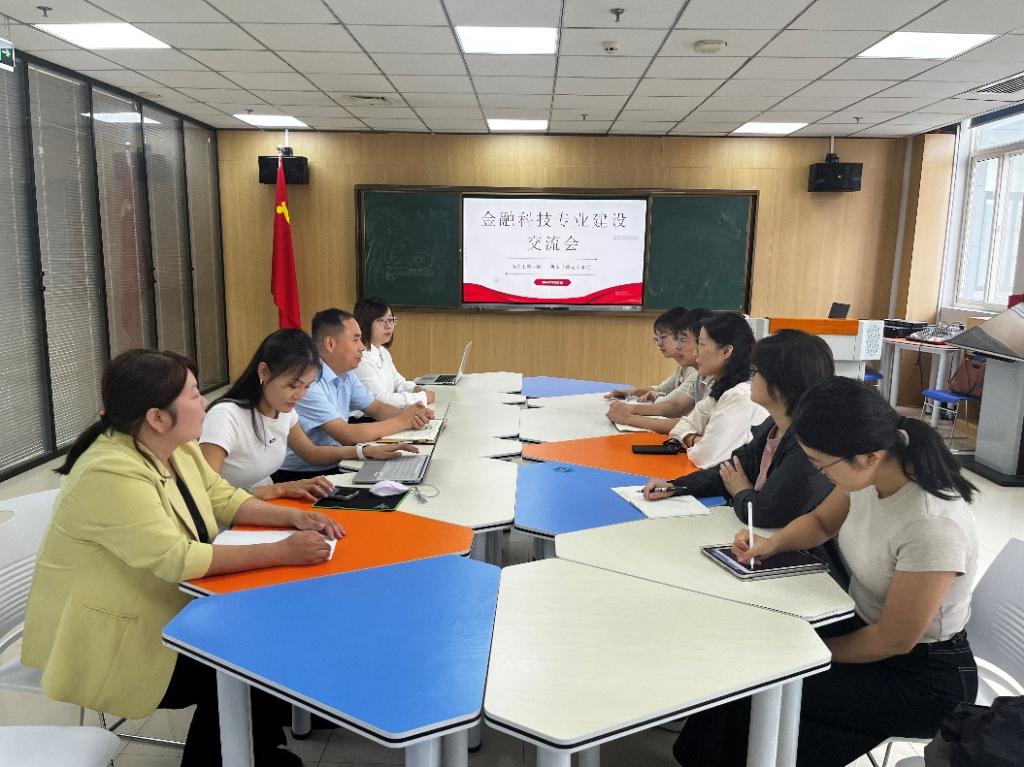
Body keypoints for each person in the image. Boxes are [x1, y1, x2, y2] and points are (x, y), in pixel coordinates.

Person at [22, 349, 346, 767]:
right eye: (194, 395)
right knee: (244, 660)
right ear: (158, 417)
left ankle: (259, 751)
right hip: (112, 639)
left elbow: (223, 498)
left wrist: (294, 518)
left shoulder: (176, 448)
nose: (205, 403)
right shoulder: (108, 471)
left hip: (168, 606)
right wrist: (282, 551)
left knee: (266, 638)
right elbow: (177, 559)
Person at [672, 377, 979, 767]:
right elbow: (821, 522)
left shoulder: (932, 525)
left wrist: (805, 655)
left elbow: (894, 640)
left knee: (761, 685)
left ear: (868, 456)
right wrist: (770, 545)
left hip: (921, 678)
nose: (820, 473)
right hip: (862, 627)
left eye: (822, 465)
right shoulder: (871, 472)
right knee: (742, 659)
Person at [642, 329, 835, 527]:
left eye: (756, 371)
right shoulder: (772, 427)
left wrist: (741, 490)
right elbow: (730, 469)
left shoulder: (807, 447)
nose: (751, 377)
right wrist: (676, 486)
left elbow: (764, 512)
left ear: (781, 382)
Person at [200, 328, 414, 497]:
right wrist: (280, 489)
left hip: (264, 504)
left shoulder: (283, 411)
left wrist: (364, 451)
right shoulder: (225, 416)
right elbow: (206, 493)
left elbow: (311, 453)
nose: (299, 395)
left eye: (307, 386)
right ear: (264, 372)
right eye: (293, 385)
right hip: (229, 524)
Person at [274, 308, 432, 482]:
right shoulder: (309, 382)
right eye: (356, 340)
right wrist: (402, 421)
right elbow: (346, 434)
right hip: (300, 475)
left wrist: (413, 415)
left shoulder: (345, 373)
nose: (362, 347)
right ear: (330, 344)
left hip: (337, 460)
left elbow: (376, 408)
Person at [666, 312, 768, 468]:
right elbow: (680, 428)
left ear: (726, 351)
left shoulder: (741, 395)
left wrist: (692, 439)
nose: (695, 352)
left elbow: (705, 457)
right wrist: (699, 440)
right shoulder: (722, 388)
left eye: (701, 344)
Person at [607, 308, 715, 434]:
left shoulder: (716, 379)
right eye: (677, 339)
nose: (677, 346)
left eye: (682, 340)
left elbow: (691, 425)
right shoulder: (701, 375)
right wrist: (629, 408)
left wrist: (628, 418)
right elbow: (676, 406)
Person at [352, 297, 435, 411]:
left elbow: (398, 383)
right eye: (381, 321)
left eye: (391, 320)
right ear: (365, 323)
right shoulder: (360, 358)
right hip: (363, 418)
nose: (389, 326)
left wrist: (415, 389)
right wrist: (421, 397)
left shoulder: (382, 351)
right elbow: (382, 401)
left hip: (385, 415)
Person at [606, 307, 689, 402]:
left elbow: (673, 403)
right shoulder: (683, 367)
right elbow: (661, 389)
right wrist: (632, 392)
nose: (659, 343)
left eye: (663, 337)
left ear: (681, 336)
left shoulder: (694, 370)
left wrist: (628, 409)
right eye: (657, 339)